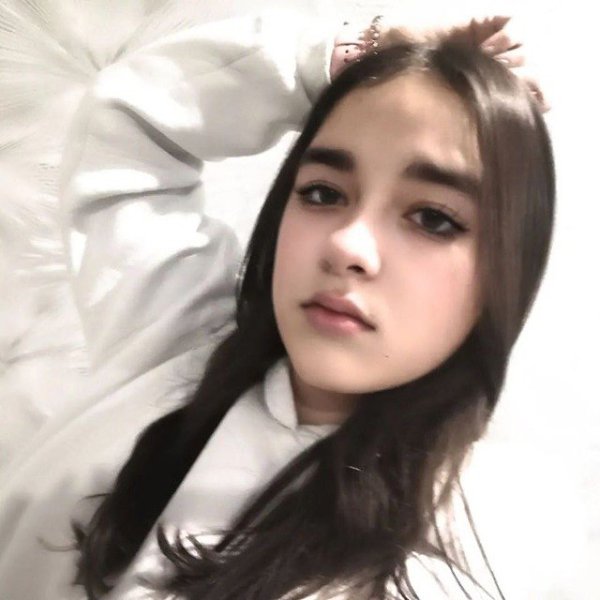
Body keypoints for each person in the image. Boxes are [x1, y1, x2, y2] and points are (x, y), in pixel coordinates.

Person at [0, 10, 554, 600]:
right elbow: (127, 123)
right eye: (323, 192)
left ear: (505, 269)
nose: (346, 245)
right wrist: (345, 59)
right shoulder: (179, 337)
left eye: (433, 219)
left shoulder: (457, 558)